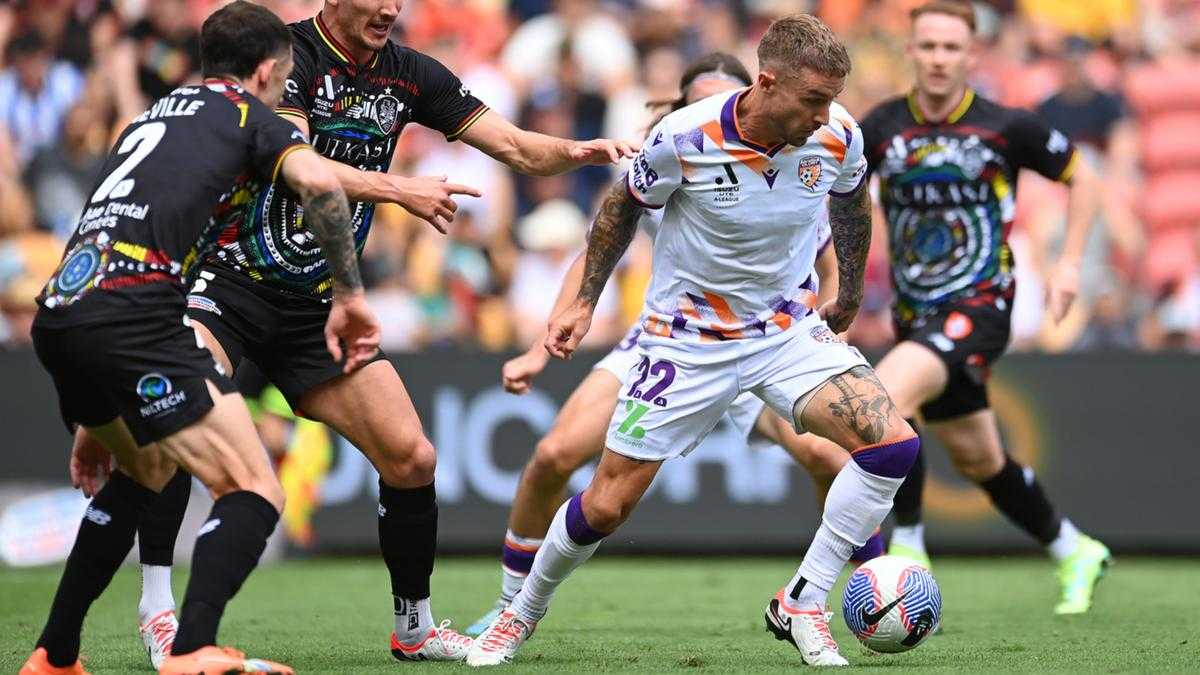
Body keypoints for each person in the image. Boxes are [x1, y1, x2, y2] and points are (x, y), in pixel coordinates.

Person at [130, 0, 638, 664]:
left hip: (317, 304)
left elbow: (512, 145)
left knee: (411, 458)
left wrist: (580, 152)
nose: (392, 9)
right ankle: (157, 607)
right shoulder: (287, 56)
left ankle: (415, 626)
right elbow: (297, 162)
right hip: (228, 279)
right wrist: (400, 189)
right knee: (177, 418)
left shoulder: (408, 73)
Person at [467, 15, 921, 668]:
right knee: (607, 501)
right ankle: (520, 612)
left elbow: (853, 201)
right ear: (766, 84)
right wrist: (586, 302)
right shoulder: (683, 137)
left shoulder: (838, 134)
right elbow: (621, 208)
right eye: (813, 100)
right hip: (687, 342)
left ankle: (804, 599)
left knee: (892, 446)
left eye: (832, 99)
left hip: (786, 332)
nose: (827, 116)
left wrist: (847, 291)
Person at [20, 3, 379, 674]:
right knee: (253, 485)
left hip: (65, 308)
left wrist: (94, 410)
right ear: (268, 70)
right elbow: (323, 187)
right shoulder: (250, 117)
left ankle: (55, 654)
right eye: (283, 78)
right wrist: (351, 297)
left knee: (149, 468)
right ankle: (193, 649)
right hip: (134, 313)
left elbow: (102, 217)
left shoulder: (148, 118)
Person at [858, 0, 1110, 613]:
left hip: (982, 302)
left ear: (972, 54)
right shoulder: (882, 126)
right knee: (978, 458)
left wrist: (1069, 261)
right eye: (928, 46)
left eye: (951, 48)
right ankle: (1075, 549)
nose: (940, 58)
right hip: (914, 314)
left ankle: (908, 551)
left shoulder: (1006, 125)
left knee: (882, 402)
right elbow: (842, 201)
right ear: (911, 51)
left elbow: (1085, 179)